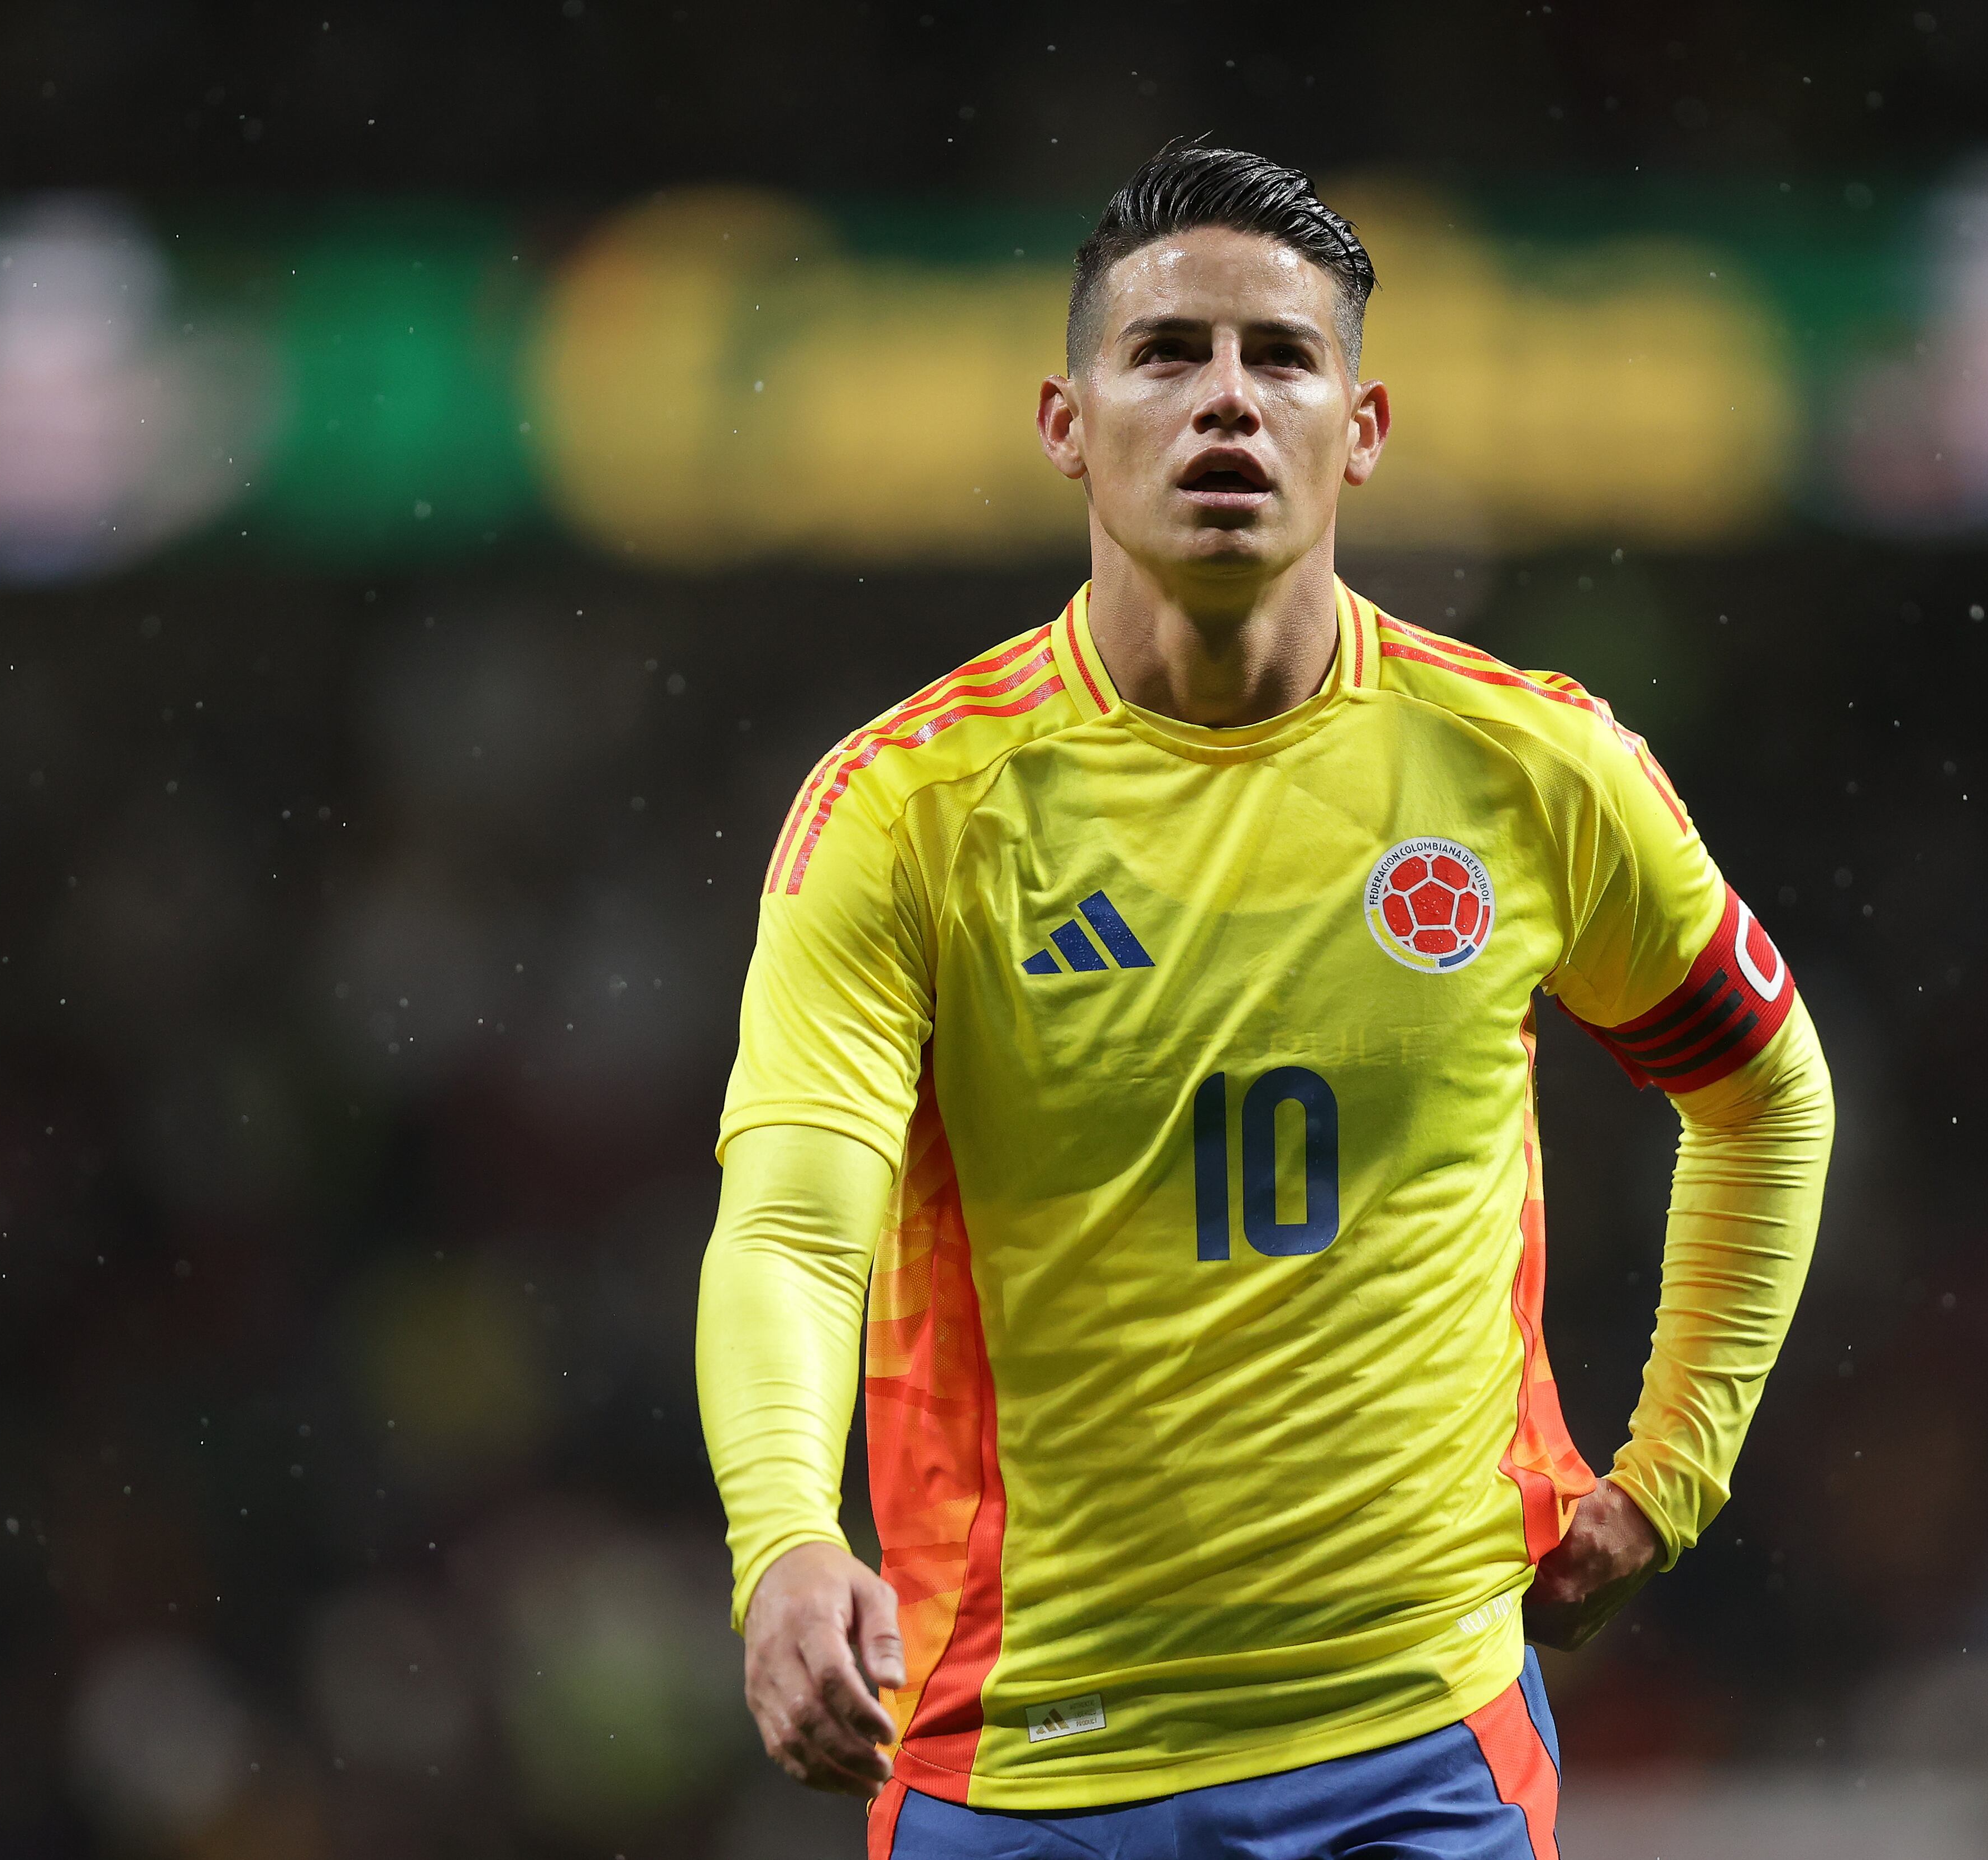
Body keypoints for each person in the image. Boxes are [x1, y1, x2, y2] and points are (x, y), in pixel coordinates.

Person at [696, 143, 1834, 1860]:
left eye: (1279, 358)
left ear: (1359, 429)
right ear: (1066, 423)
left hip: (1417, 1742)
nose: (1226, 397)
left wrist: (1674, 1468)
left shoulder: (1533, 769)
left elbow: (1765, 1093)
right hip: (1026, 1760)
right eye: (1167, 355)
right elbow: (793, 1231)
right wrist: (782, 1532)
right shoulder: (911, 812)